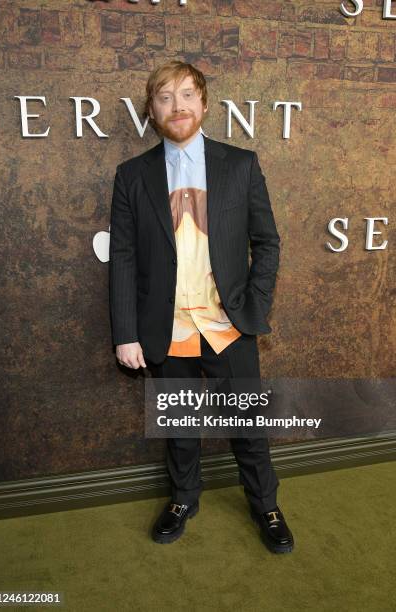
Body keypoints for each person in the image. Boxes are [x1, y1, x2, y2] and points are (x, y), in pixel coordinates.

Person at [109, 60, 294, 554]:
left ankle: (266, 506)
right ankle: (183, 499)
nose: (178, 106)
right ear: (152, 109)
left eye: (187, 95)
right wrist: (125, 333)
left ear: (204, 103)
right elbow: (123, 259)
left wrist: (252, 305)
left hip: (227, 326)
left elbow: (267, 243)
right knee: (181, 426)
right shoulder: (131, 176)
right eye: (165, 97)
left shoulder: (241, 164)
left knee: (248, 427)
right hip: (164, 329)